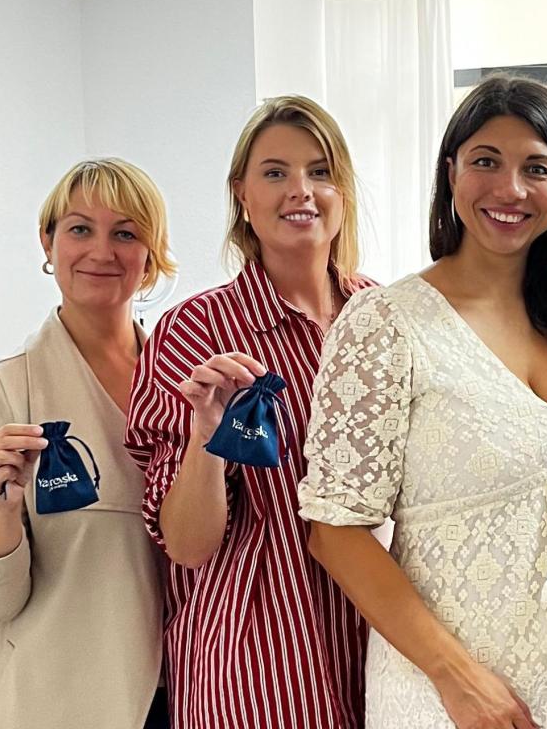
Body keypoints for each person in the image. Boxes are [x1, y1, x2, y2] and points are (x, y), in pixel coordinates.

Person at [299, 74, 547, 729]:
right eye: (487, 161)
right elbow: (334, 530)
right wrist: (455, 676)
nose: (509, 189)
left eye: (536, 168)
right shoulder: (385, 323)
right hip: (451, 701)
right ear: (450, 172)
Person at [125, 96, 369, 729]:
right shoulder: (193, 331)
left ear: (342, 189)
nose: (301, 191)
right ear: (242, 194)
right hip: (255, 666)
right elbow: (186, 544)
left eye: (320, 171)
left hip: (378, 646)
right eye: (275, 172)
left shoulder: (382, 318)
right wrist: (207, 431)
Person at [0, 158, 176, 728]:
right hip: (56, 702)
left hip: (193, 692)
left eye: (125, 233)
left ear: (151, 256)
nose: (101, 250)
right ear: (47, 243)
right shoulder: (4, 389)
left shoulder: (187, 388)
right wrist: (1, 507)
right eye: (79, 229)